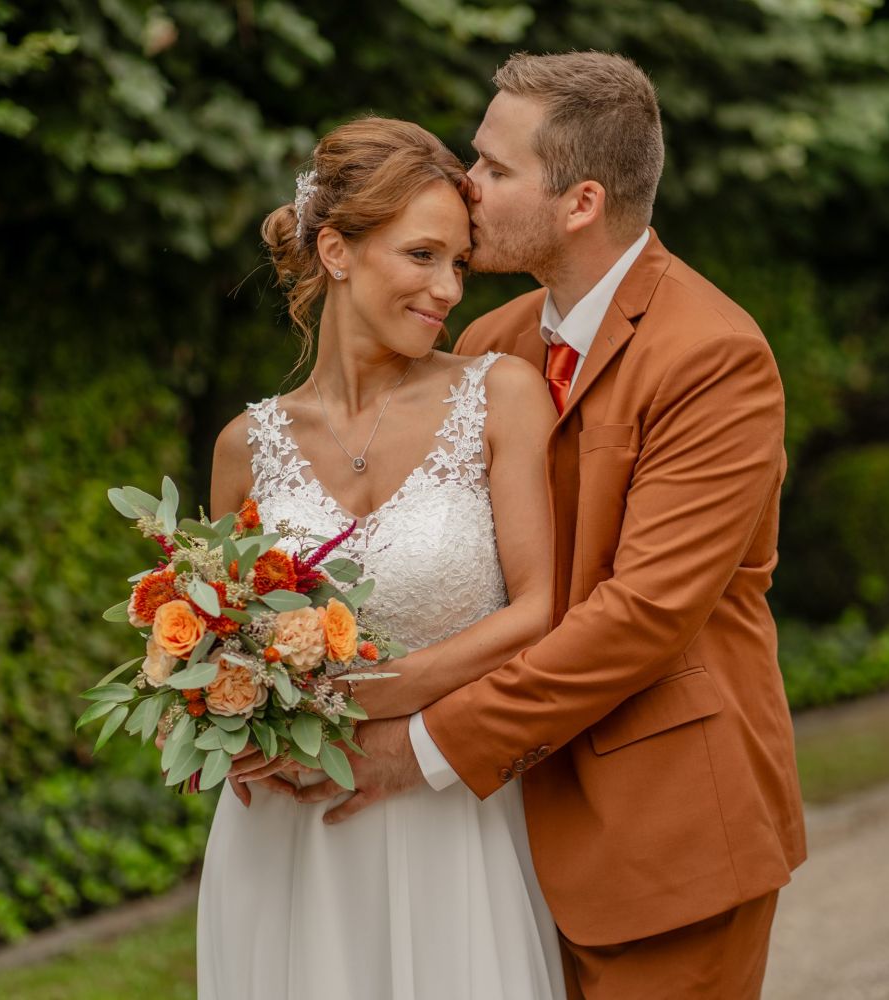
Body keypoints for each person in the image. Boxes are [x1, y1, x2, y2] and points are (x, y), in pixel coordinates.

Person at [281, 52, 808, 998]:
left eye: (493, 167)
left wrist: (420, 747)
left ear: (580, 202)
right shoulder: (490, 345)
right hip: (489, 845)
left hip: (661, 837)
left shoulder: (714, 357)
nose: (465, 187)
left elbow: (642, 616)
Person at [199, 116, 566, 999]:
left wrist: (392, 695)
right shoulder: (246, 447)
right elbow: (220, 644)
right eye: (422, 255)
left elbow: (538, 609)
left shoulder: (500, 396)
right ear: (336, 250)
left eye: (459, 264)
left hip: (452, 821)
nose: (448, 289)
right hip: (287, 835)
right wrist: (212, 719)